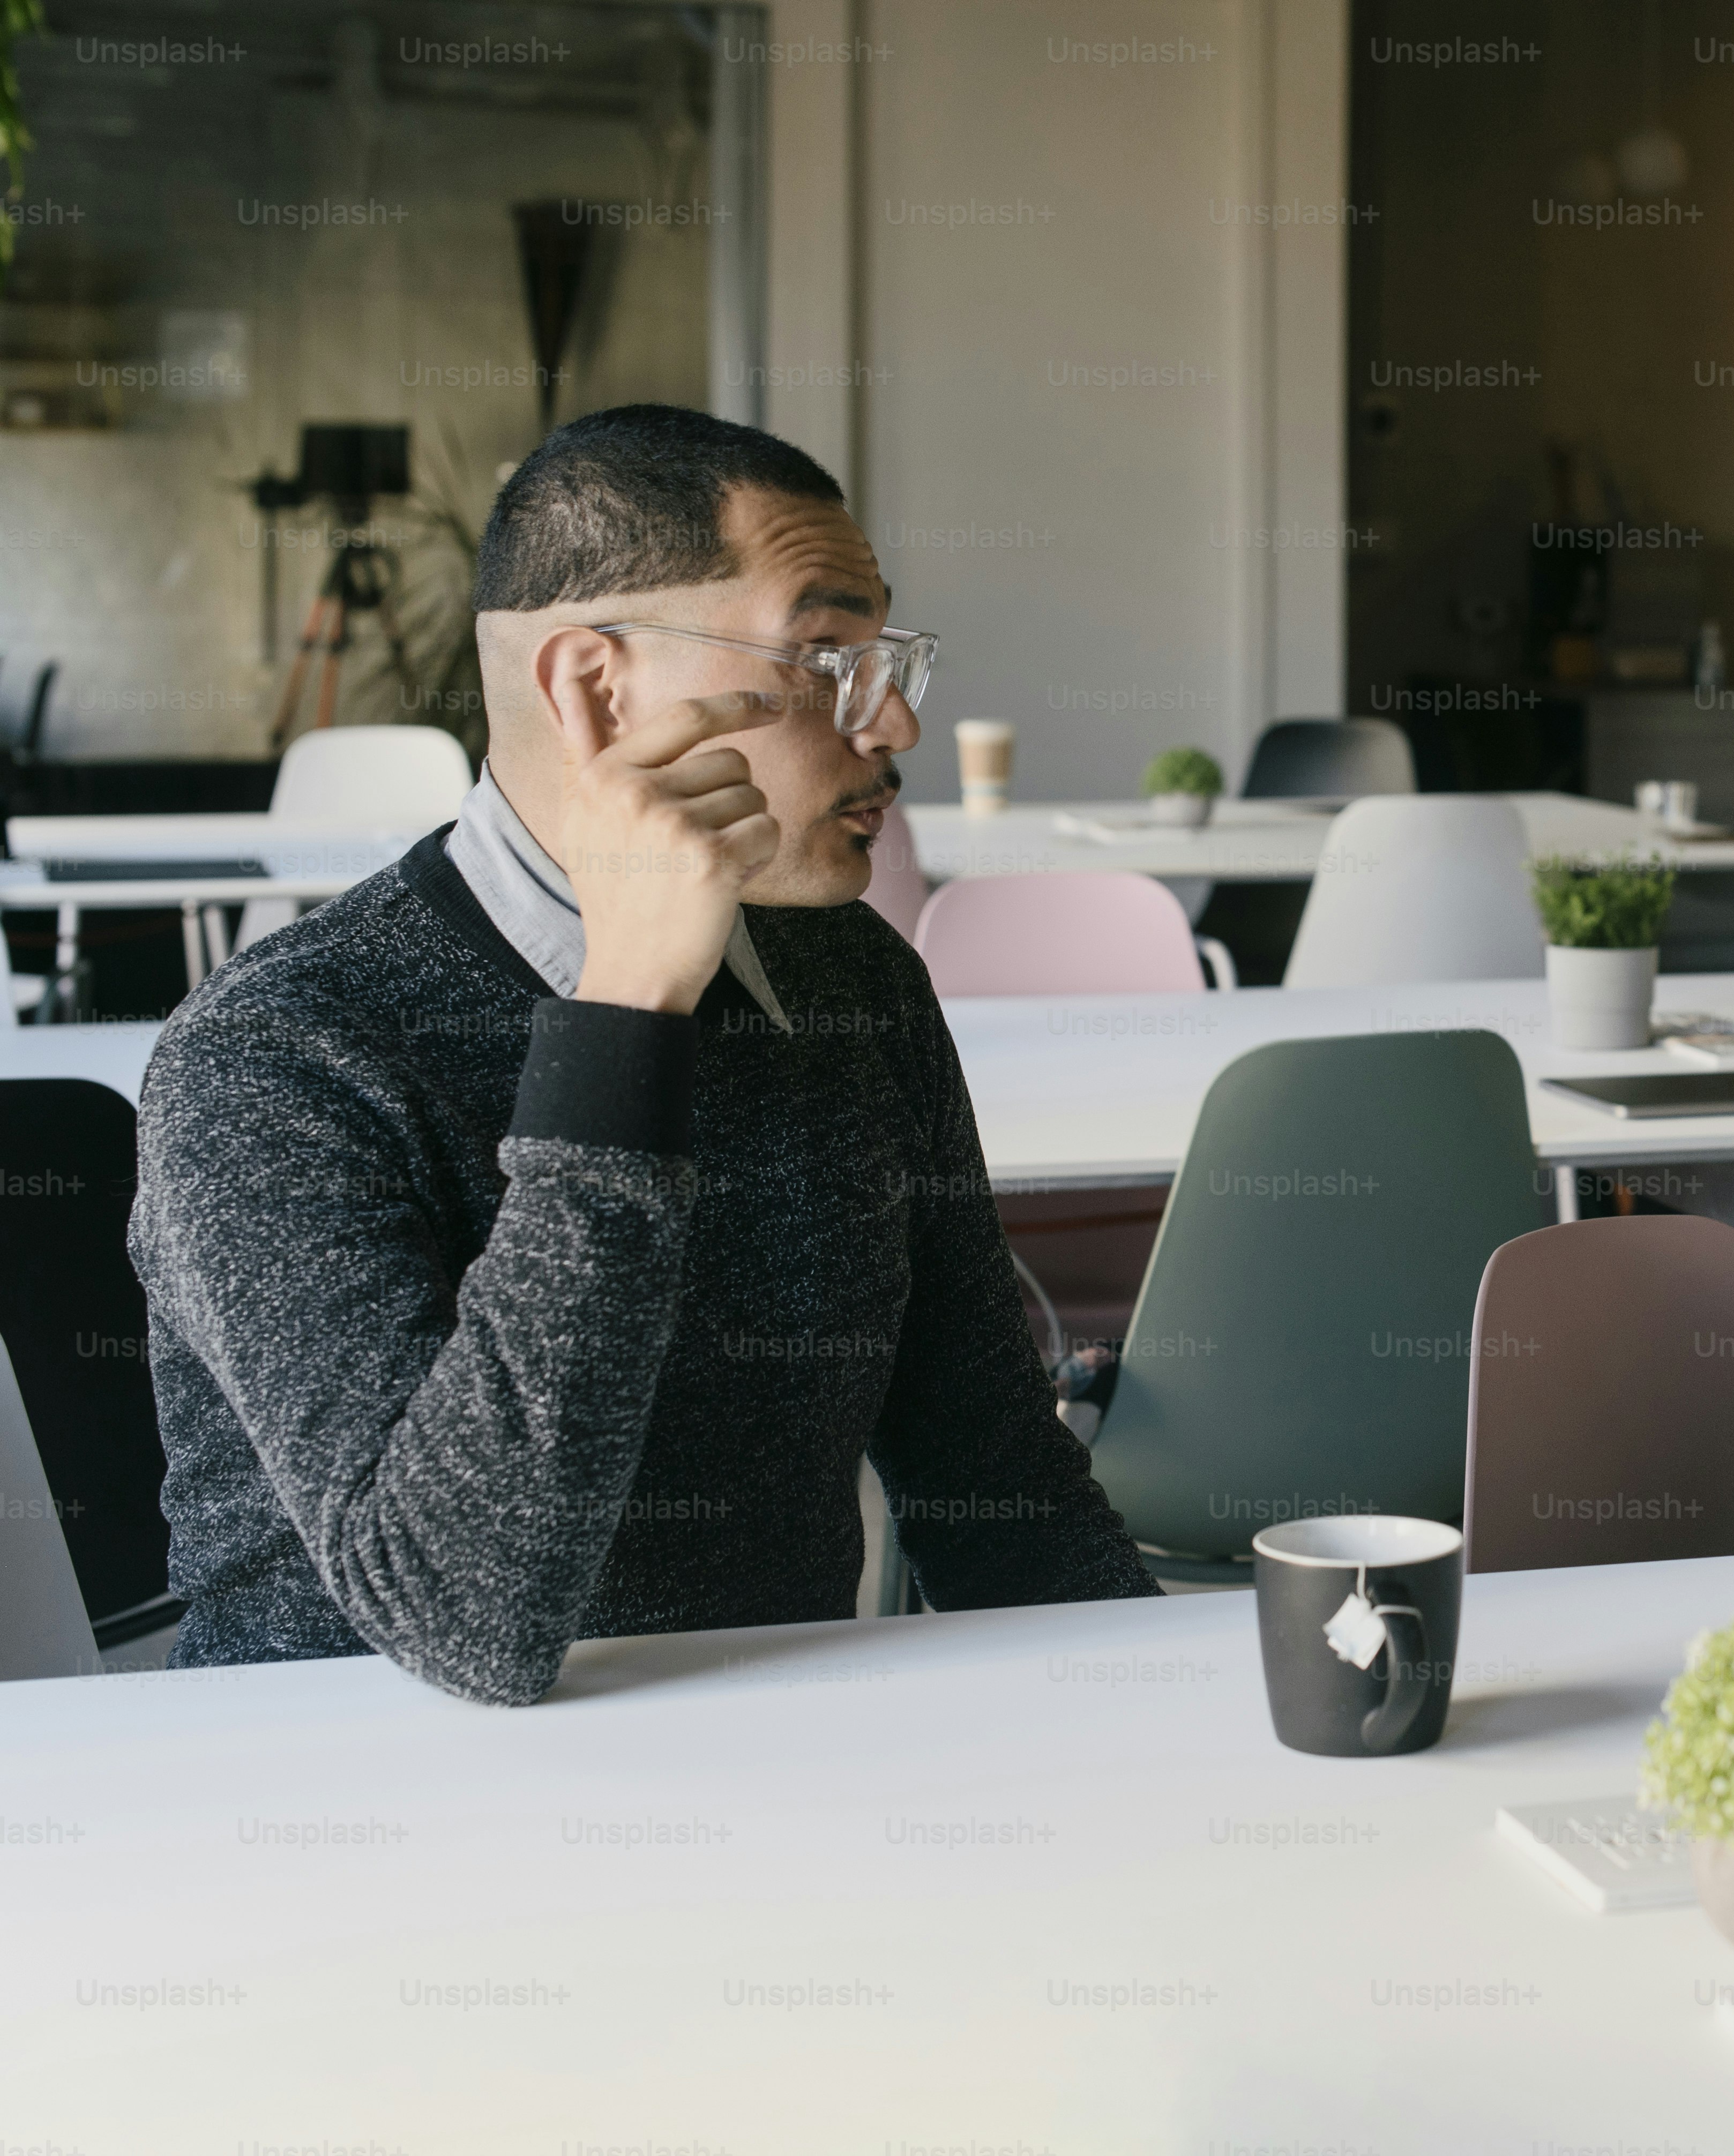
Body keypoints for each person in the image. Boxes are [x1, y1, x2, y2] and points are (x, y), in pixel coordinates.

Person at [131, 403, 1157, 1704]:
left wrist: (1181, 1720)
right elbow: (459, 1618)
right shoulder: (276, 1058)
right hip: (353, 1807)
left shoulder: (853, 982)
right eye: (827, 657)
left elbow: (994, 1481)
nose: (892, 724)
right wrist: (626, 1018)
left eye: (888, 658)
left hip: (772, 1780)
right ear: (594, 689)